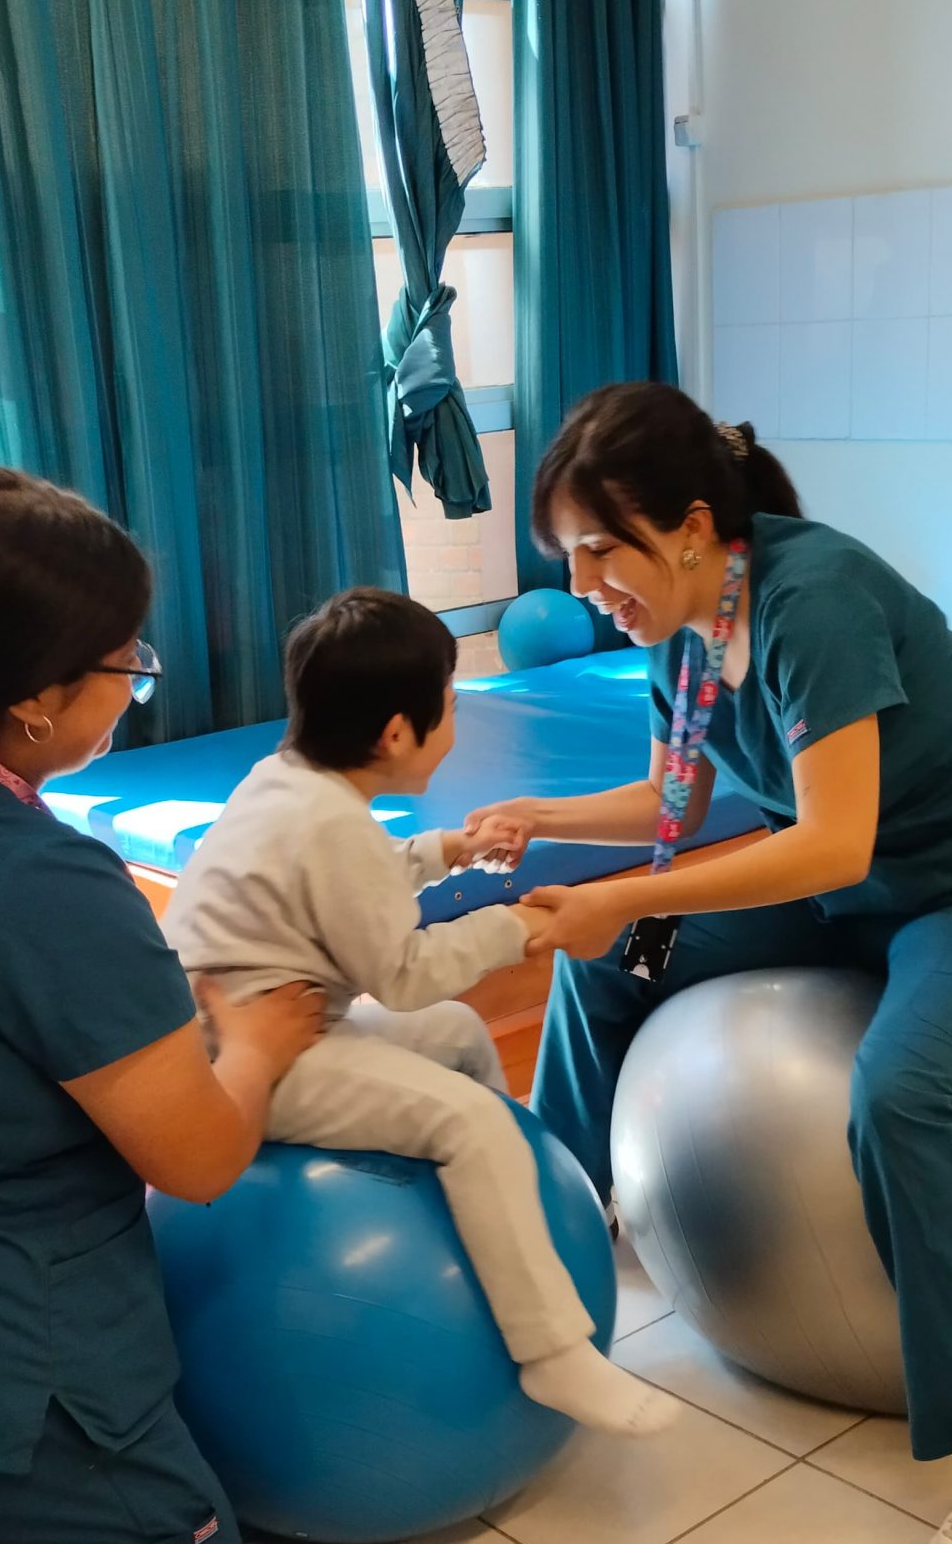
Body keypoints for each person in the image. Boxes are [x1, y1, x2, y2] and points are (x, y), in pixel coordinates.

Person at [463, 381, 952, 1544]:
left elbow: (829, 840)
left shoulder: (809, 599)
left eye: (599, 547)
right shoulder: (681, 622)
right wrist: (540, 824)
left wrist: (625, 893)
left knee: (907, 1089)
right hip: (854, 888)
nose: (585, 580)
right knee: (615, 953)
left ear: (688, 524)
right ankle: (560, 1238)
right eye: (571, 556)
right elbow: (676, 799)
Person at [0, 467, 324, 1544]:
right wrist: (262, 1036)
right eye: (130, 663)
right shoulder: (39, 885)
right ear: (31, 699)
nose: (138, 682)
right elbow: (194, 1156)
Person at [164, 588, 677, 1442]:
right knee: (468, 1119)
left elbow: (350, 883)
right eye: (447, 707)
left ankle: (515, 1207)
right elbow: (401, 975)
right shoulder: (328, 824)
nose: (454, 721)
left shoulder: (289, 783)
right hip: (257, 1055)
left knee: (459, 1040)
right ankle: (552, 1353)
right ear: (397, 733)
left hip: (266, 1025)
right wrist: (513, 926)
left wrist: (446, 853)